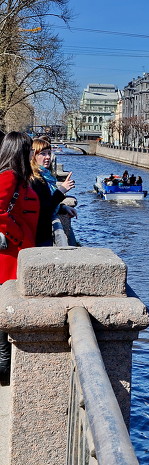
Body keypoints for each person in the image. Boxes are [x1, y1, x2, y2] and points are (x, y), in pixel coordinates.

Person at [0, 132, 40, 384]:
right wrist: (15, 234)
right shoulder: (9, 176)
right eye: (29, 150)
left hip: (16, 254)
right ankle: (4, 369)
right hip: (9, 257)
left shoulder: (18, 178)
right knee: (5, 312)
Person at [30, 138, 76, 247]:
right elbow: (43, 210)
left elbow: (47, 202)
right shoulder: (34, 180)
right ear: (33, 156)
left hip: (43, 234)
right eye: (42, 154)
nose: (47, 157)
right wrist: (61, 191)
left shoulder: (45, 177)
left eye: (49, 153)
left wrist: (62, 208)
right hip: (38, 236)